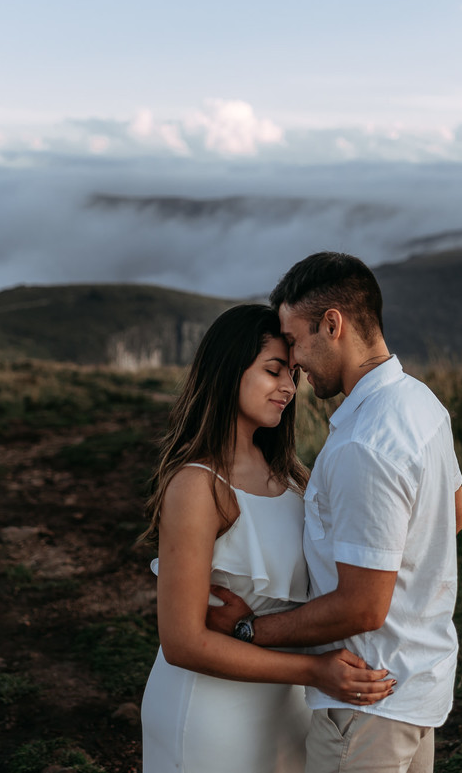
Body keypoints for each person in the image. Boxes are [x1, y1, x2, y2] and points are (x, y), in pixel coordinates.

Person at [208, 253, 462, 773]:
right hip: (420, 688)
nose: (294, 361)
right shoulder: (422, 404)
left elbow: (362, 609)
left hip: (366, 707)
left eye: (296, 340)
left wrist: (250, 630)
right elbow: (454, 515)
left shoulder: (362, 444)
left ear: (333, 324)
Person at [140, 303, 395, 773]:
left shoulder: (295, 477)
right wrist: (314, 671)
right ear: (227, 371)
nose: (288, 387)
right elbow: (182, 642)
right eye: (273, 371)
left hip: (287, 709)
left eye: (292, 374)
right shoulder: (198, 486)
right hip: (212, 716)